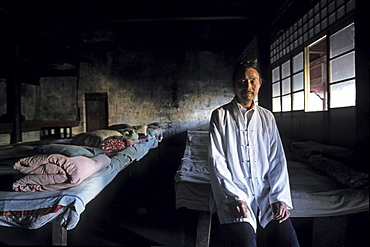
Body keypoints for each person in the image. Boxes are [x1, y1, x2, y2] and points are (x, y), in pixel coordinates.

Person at [208, 61, 300, 247]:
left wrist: (278, 197)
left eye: (252, 81)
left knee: (290, 241)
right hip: (235, 192)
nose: (248, 87)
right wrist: (234, 197)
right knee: (246, 241)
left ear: (260, 83)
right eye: (242, 81)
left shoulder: (267, 117)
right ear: (234, 85)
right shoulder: (220, 115)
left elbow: (277, 159)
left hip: (266, 192)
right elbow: (217, 161)